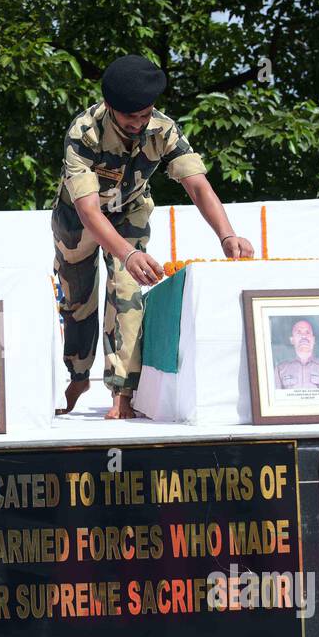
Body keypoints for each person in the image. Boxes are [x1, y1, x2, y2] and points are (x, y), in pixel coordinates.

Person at [51, 54, 254, 418]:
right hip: (79, 219)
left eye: (146, 114)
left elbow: (198, 186)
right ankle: (78, 375)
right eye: (132, 117)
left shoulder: (163, 129)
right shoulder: (84, 132)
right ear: (112, 107)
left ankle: (122, 393)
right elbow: (88, 211)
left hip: (130, 211)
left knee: (127, 294)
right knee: (77, 302)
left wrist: (227, 236)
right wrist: (128, 253)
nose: (140, 123)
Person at [276, 319, 319, 390]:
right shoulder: (280, 369)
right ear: (292, 340)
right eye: (299, 332)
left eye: (307, 332)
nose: (304, 336)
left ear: (313, 340)